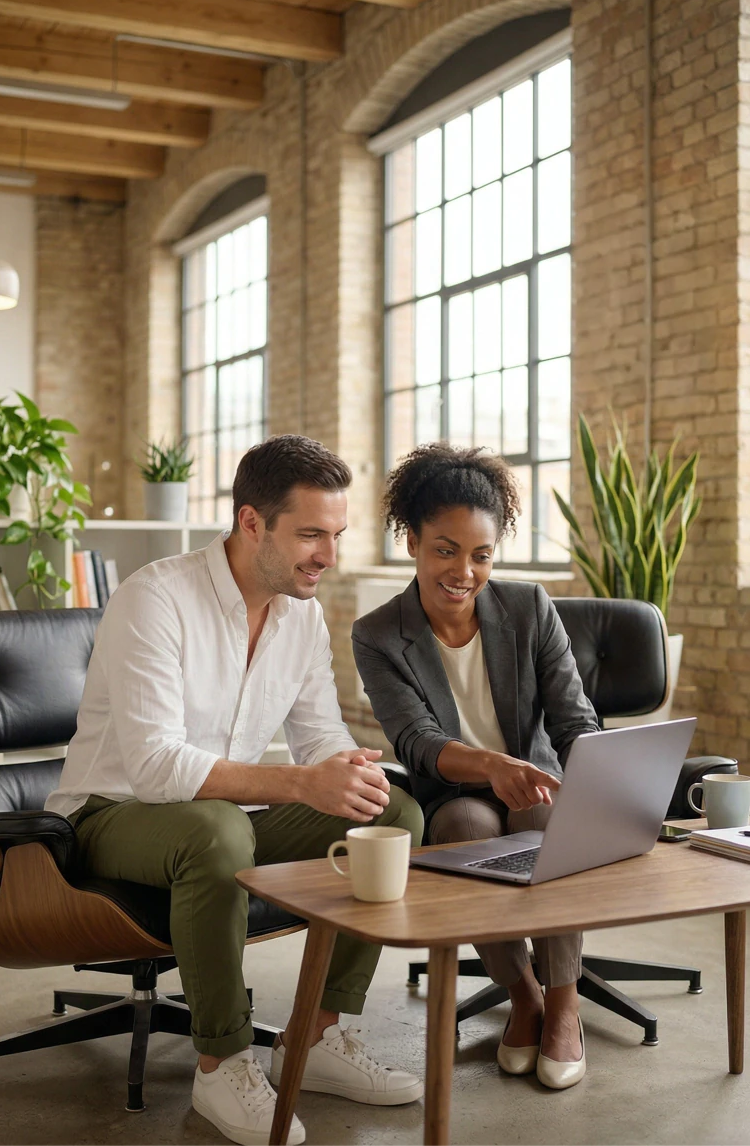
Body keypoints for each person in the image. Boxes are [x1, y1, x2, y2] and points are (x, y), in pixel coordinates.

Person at [46, 434, 424, 1145]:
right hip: (110, 812)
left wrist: (350, 768)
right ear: (251, 522)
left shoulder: (301, 614)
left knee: (391, 811)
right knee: (218, 830)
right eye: (311, 534)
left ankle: (315, 1038)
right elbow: (158, 768)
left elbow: (318, 737)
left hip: (230, 813)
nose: (329, 556)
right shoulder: (155, 598)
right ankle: (221, 1063)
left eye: (337, 535)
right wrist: (300, 783)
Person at [351, 443, 599, 1091]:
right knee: (464, 826)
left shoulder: (529, 609)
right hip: (453, 788)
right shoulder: (379, 633)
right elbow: (416, 741)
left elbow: (574, 721)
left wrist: (601, 785)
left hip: (533, 782)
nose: (464, 570)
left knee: (545, 815)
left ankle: (565, 1003)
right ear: (411, 541)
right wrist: (491, 765)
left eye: (481, 555)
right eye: (446, 549)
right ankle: (524, 996)